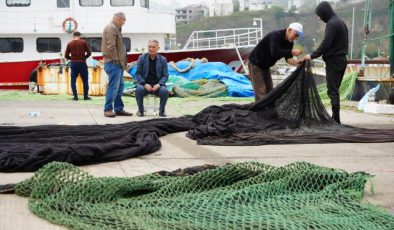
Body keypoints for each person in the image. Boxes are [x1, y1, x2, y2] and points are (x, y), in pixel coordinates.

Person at [304, 1, 349, 124]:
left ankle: (336, 119)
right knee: (335, 90)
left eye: (319, 15)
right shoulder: (340, 22)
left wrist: (312, 55)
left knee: (332, 91)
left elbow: (326, 44)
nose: (319, 18)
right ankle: (336, 117)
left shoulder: (332, 24)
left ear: (325, 12)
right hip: (341, 60)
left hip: (334, 61)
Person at [248, 22, 304, 101]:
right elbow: (274, 52)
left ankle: (268, 110)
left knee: (270, 91)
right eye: (296, 35)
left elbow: (288, 59)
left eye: (298, 36)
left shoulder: (290, 42)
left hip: (265, 66)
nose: (296, 38)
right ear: (289, 30)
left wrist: (298, 64)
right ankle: (260, 112)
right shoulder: (275, 35)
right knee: (261, 91)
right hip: (255, 63)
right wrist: (292, 52)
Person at [102, 12, 133, 118]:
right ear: (119, 19)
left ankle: (118, 108)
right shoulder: (111, 28)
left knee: (120, 87)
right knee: (113, 87)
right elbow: (111, 47)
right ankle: (108, 109)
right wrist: (117, 60)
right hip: (113, 63)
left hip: (117, 64)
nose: (124, 23)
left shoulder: (115, 28)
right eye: (124, 20)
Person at [135, 40, 169, 117]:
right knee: (139, 89)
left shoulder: (163, 59)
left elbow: (165, 76)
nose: (151, 49)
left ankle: (162, 111)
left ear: (158, 48)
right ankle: (141, 111)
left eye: (153, 47)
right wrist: (144, 84)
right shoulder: (141, 58)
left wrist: (159, 84)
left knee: (165, 91)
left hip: (158, 86)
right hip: (145, 85)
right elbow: (138, 73)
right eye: (149, 46)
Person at [65, 31, 92, 101]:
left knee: (73, 81)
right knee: (85, 80)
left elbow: (66, 55)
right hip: (82, 63)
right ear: (79, 36)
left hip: (74, 64)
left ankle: (75, 97)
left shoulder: (70, 43)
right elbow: (89, 53)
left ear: (73, 36)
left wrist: (72, 59)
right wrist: (84, 58)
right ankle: (85, 97)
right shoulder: (83, 42)